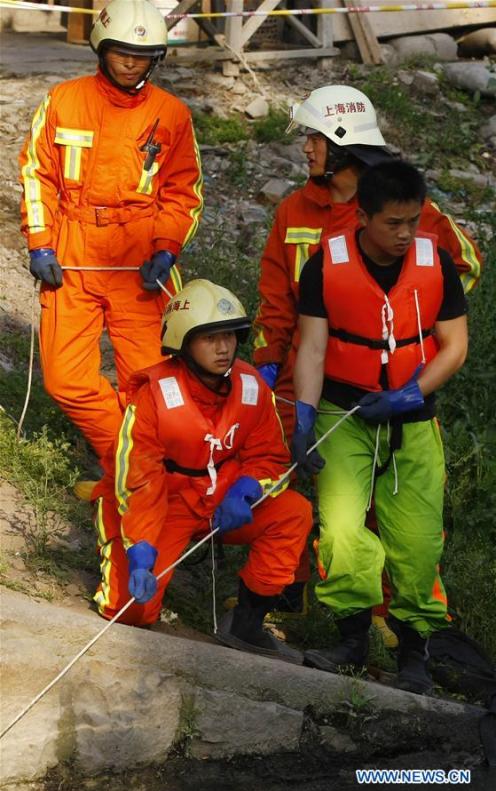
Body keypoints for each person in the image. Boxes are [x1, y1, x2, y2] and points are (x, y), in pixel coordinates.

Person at [251, 84, 480, 624]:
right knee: (315, 494)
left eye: (313, 138)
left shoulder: (397, 207)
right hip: (306, 374)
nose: (306, 150)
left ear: (340, 144)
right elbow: (278, 294)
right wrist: (265, 359)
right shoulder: (294, 211)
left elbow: (463, 264)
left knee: (398, 507)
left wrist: (409, 325)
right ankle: (299, 593)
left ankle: (399, 617)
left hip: (395, 381)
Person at [291, 160, 468, 694]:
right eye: (393, 223)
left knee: (416, 542)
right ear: (362, 216)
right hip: (343, 413)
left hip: (412, 418)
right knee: (341, 529)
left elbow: (455, 346)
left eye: (413, 221)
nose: (405, 234)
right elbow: (314, 348)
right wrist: (304, 414)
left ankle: (413, 655)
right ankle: (350, 642)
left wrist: (410, 393)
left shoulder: (435, 263)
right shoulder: (325, 266)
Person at [19, 0, 203, 470]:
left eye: (141, 56)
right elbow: (37, 174)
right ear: (102, 48)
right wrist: (40, 242)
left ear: (155, 59)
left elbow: (183, 193)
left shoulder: (172, 115)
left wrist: (166, 250)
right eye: (122, 52)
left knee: (151, 381)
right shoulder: (63, 100)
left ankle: (142, 481)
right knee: (65, 380)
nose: (130, 63)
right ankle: (131, 460)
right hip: (70, 253)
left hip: (138, 260)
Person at [92, 279, 313, 664]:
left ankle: (246, 621)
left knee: (293, 512)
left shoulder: (251, 387)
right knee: (132, 612)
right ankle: (120, 549)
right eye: (210, 338)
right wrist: (141, 549)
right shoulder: (154, 395)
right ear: (183, 341)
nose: (224, 347)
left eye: (229, 335)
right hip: (165, 503)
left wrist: (246, 490)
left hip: (223, 500)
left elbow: (271, 455)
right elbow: (139, 478)